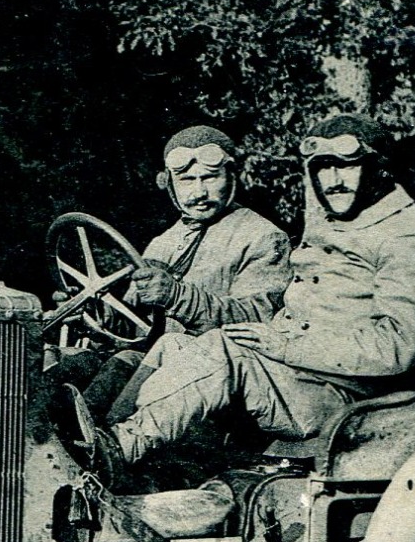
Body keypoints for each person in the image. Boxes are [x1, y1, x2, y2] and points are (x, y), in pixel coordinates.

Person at [57, 113, 415, 486]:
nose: (333, 181)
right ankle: (104, 445)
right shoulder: (334, 220)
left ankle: (122, 448)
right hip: (296, 374)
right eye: (322, 168)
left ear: (377, 170)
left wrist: (287, 344)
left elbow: (401, 345)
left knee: (225, 349)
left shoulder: (406, 240)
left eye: (347, 167)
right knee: (172, 344)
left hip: (340, 392)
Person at [79, 125, 292, 420]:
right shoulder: (163, 242)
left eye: (210, 177)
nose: (199, 192)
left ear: (232, 177)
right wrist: (98, 311)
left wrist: (178, 296)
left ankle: (109, 444)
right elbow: (136, 323)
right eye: (187, 180)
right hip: (155, 362)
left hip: (213, 381)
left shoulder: (262, 237)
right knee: (82, 366)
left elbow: (255, 321)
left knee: (139, 361)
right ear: (169, 184)